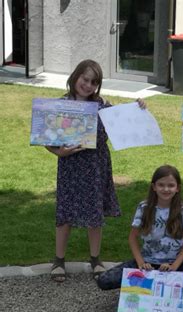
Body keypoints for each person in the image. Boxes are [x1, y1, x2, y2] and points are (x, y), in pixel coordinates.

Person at [47, 59, 146, 282]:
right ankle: (59, 260)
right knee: (65, 213)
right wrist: (59, 153)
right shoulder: (60, 105)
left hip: (96, 167)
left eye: (94, 82)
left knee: (95, 214)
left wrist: (138, 105)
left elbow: (124, 119)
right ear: (75, 77)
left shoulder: (102, 104)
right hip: (70, 167)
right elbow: (46, 137)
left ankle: (95, 259)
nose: (88, 85)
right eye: (85, 79)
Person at [97, 165, 183, 290]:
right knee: (104, 281)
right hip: (147, 261)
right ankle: (149, 285)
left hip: (175, 263)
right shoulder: (144, 207)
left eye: (171, 185)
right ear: (154, 187)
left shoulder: (182, 209)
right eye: (161, 185)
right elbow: (132, 238)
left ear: (177, 188)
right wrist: (141, 263)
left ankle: (154, 286)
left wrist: (174, 265)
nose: (166, 189)